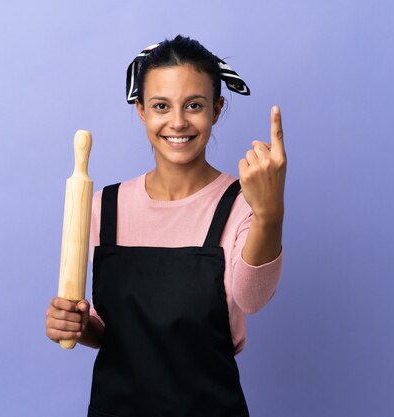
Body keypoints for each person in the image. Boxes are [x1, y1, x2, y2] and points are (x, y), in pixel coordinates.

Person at [45, 35, 286, 417]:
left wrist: (271, 213)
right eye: (161, 106)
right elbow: (114, 333)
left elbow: (253, 300)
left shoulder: (242, 203)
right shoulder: (103, 207)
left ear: (217, 109)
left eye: (194, 105)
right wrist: (76, 324)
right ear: (141, 110)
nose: (177, 122)